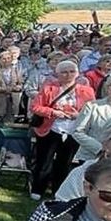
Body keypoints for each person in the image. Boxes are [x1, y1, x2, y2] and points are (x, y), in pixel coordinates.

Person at [29, 61, 96, 200]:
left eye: (72, 71)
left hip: (73, 131)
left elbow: (91, 110)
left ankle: (57, 191)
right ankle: (37, 188)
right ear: (57, 74)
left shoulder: (87, 91)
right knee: (44, 160)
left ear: (77, 73)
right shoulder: (49, 88)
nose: (68, 75)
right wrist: (53, 112)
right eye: (64, 72)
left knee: (65, 163)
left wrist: (78, 115)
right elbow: (35, 107)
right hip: (51, 129)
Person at [0, 49, 25, 142]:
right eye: (4, 59)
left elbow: (21, 83)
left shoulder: (15, 70)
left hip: (11, 98)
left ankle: (5, 135)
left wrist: (16, 88)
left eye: (8, 58)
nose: (6, 60)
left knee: (9, 117)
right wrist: (2, 89)